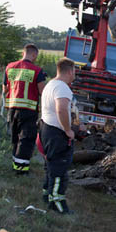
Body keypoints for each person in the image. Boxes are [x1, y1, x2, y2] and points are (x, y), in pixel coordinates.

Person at [39, 57, 76, 214]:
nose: (75, 75)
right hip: (57, 133)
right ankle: (57, 203)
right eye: (74, 72)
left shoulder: (51, 84)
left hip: (46, 129)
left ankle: (47, 193)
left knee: (50, 165)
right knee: (59, 168)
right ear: (69, 71)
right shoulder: (62, 88)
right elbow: (61, 109)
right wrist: (68, 130)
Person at [3, 44, 46, 174]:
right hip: (28, 110)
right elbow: (42, 91)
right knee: (26, 139)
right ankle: (21, 171)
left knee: (15, 137)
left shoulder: (10, 67)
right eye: (36, 56)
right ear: (34, 55)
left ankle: (15, 165)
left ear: (23, 53)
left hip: (12, 108)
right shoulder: (37, 71)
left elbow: (4, 89)